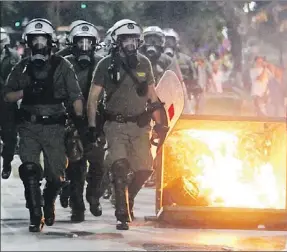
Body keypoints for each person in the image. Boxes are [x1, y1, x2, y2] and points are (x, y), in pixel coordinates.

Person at [3, 18, 85, 232]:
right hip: (29, 126)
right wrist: (25, 92)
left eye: (43, 40)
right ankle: (35, 213)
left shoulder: (62, 66)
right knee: (29, 170)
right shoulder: (21, 67)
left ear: (51, 42)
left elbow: (75, 95)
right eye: (34, 40)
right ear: (28, 43)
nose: (39, 44)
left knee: (56, 177)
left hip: (55, 128)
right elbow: (7, 96)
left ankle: (48, 201)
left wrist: (81, 121)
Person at [87, 19, 168, 230]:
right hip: (115, 124)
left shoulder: (144, 63)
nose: (131, 44)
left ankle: (127, 197)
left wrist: (161, 124)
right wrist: (92, 126)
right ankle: (122, 214)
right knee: (120, 166)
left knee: (144, 170)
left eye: (134, 40)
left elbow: (152, 95)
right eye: (126, 40)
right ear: (117, 41)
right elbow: (93, 98)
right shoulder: (105, 64)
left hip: (140, 125)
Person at [59, 22, 105, 222]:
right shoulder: (63, 63)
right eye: (80, 42)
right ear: (72, 44)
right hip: (72, 122)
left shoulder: (102, 63)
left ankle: (93, 196)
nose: (84, 46)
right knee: (75, 167)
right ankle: (77, 206)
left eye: (89, 42)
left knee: (98, 164)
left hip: (96, 121)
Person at [140, 25, 184, 187]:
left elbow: (176, 82)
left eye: (156, 40)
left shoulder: (168, 61)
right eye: (149, 39)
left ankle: (156, 172)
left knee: (162, 139)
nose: (152, 43)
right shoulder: (138, 59)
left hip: (162, 106)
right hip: (142, 105)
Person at [0, 27, 20, 179]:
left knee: (10, 137)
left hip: (7, 102)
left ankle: (7, 161)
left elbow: (18, 79)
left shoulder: (13, 56)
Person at [163, 28, 197, 113]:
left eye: (171, 40)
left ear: (176, 42)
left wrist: (190, 92)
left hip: (184, 97)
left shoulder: (186, 60)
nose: (168, 43)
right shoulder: (156, 61)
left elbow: (193, 78)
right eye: (166, 40)